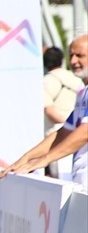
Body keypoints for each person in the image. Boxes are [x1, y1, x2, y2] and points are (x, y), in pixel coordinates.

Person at [5, 33, 88, 189]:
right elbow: (64, 132)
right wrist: (26, 159)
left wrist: (44, 160)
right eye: (71, 55)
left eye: (80, 56)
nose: (73, 61)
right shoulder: (83, 93)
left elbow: (85, 131)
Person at [42, 45, 81, 176]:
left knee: (61, 183)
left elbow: (50, 111)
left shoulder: (46, 81)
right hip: (78, 137)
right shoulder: (77, 78)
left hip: (58, 138)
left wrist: (70, 126)